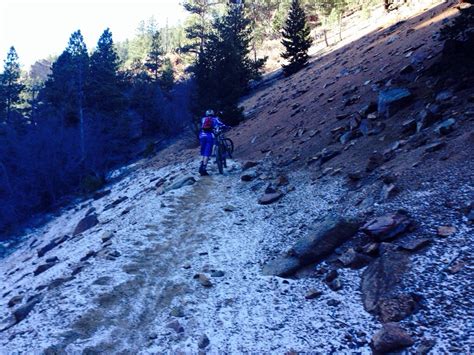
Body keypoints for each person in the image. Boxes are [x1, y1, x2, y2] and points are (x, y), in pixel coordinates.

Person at [199, 109, 226, 176]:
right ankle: (203, 169)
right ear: (213, 114)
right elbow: (221, 124)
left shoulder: (203, 119)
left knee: (203, 151)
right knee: (207, 153)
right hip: (209, 136)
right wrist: (226, 127)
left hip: (201, 135)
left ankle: (201, 165)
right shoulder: (215, 119)